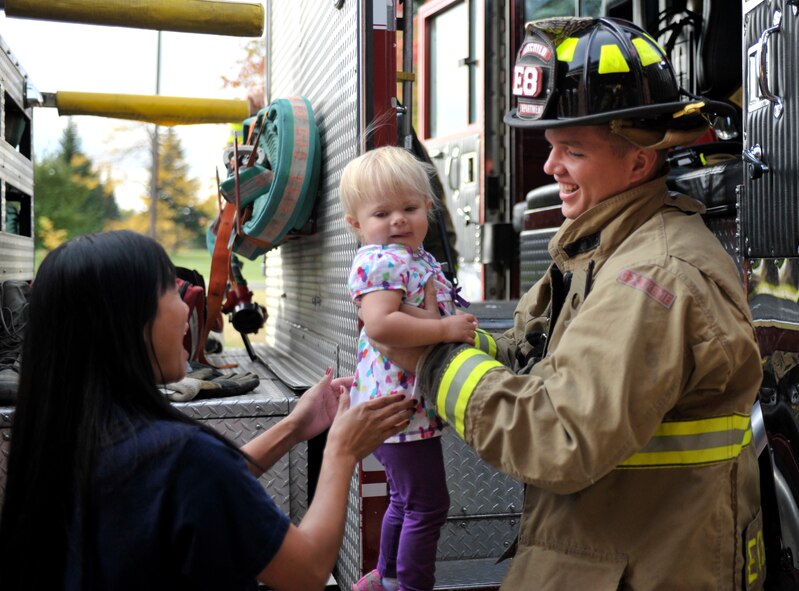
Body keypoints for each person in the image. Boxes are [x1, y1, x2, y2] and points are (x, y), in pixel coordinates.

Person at [380, 17, 764, 591]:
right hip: (608, 552)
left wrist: (433, 364)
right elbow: (531, 355)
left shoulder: (652, 278)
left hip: (647, 566)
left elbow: (556, 436)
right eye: (553, 147)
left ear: (638, 161)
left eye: (573, 151)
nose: (549, 167)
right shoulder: (602, 245)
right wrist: (449, 333)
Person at [0, 230, 415, 591]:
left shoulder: (67, 435)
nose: (186, 310)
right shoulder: (180, 456)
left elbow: (197, 489)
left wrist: (294, 427)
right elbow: (306, 572)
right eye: (171, 292)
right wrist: (340, 451)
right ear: (128, 322)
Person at [339, 146, 478, 591]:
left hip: (399, 405)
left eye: (409, 208)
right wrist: (444, 329)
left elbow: (406, 310)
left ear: (428, 209)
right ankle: (411, 586)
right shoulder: (382, 260)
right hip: (398, 407)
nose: (398, 219)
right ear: (356, 224)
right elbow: (380, 323)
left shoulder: (412, 259)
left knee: (404, 498)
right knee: (429, 505)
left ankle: (386, 577)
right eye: (382, 212)